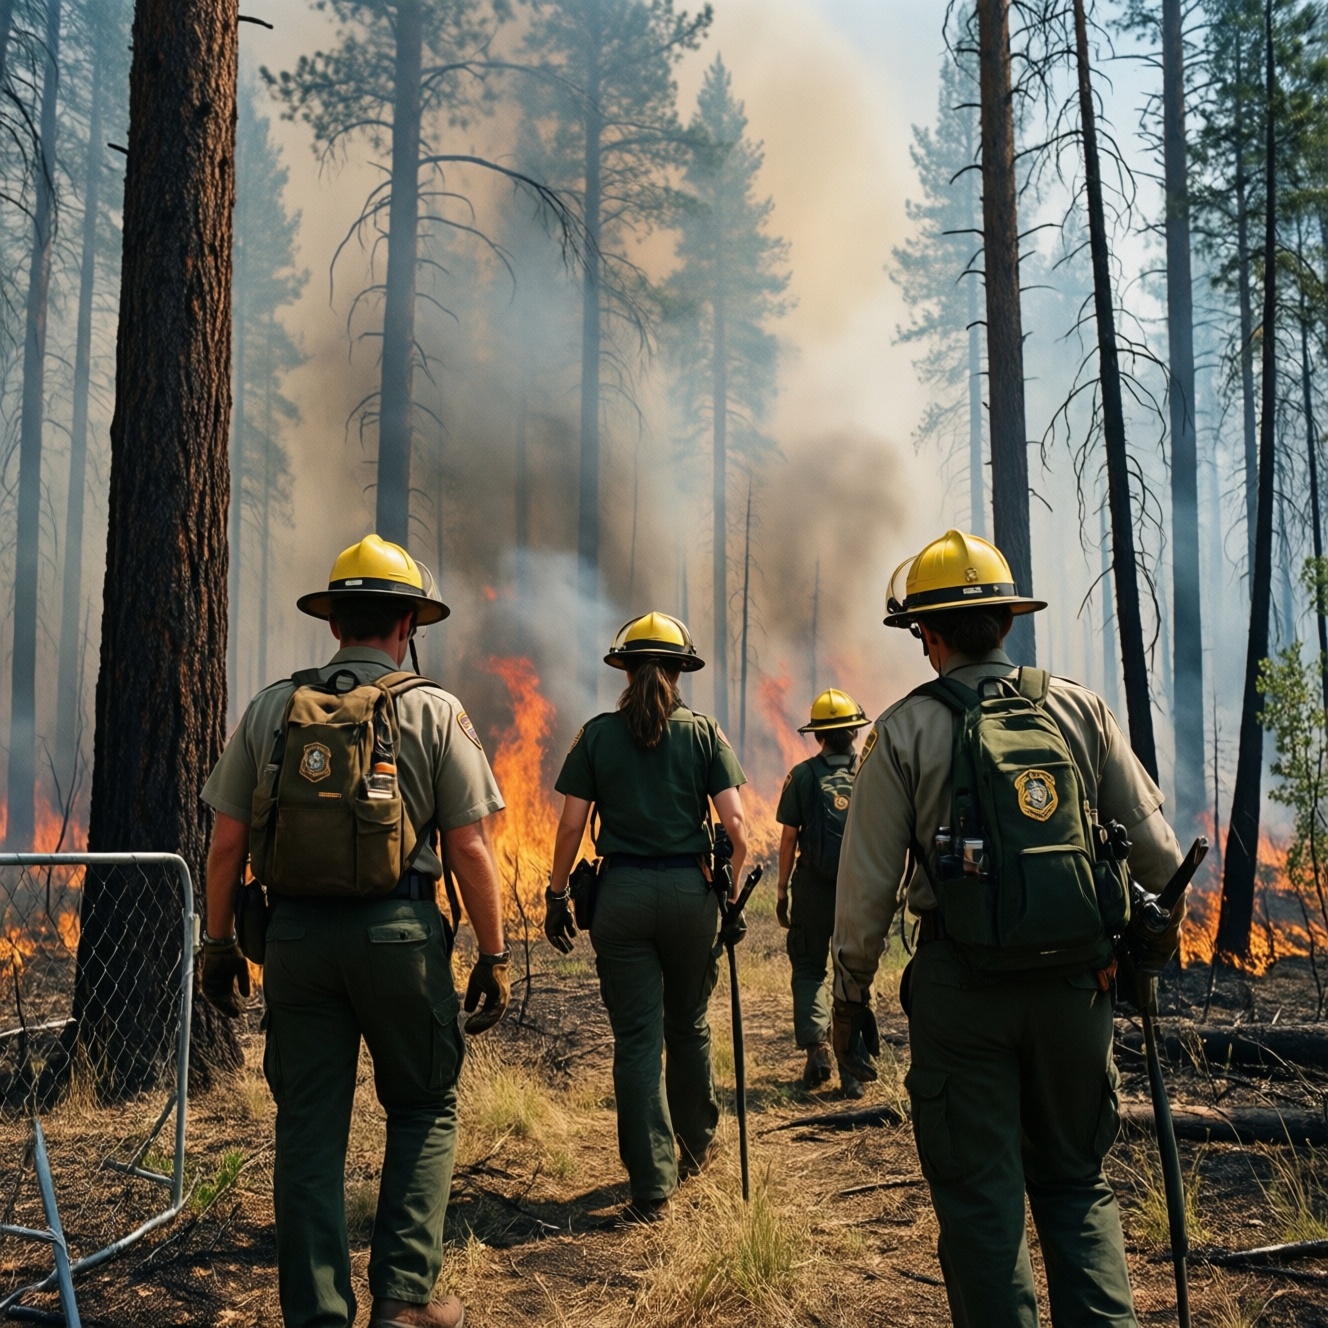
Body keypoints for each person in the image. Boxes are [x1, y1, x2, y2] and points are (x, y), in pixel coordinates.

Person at [831, 529, 1186, 1328]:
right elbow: (1163, 862)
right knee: (1077, 1185)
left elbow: (865, 897)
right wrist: (1151, 946)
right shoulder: (1079, 709)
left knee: (982, 1205)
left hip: (963, 996)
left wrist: (848, 1003)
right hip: (1077, 990)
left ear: (927, 633)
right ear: (1006, 622)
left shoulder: (903, 731)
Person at [199, 534, 509, 1328]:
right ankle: (404, 1302)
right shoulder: (434, 709)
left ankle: (317, 1315)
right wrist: (494, 954)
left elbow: (227, 845)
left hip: (295, 942)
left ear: (335, 622)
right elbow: (471, 847)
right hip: (399, 938)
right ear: (408, 624)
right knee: (424, 1106)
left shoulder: (271, 708)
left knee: (308, 1129)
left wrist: (219, 943)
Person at [542, 612, 748, 1222]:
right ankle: (696, 1148)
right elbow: (738, 829)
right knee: (689, 1024)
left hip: (622, 897)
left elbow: (572, 826)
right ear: (681, 671)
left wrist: (557, 895)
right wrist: (730, 895)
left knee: (637, 1040)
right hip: (690, 895)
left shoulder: (597, 735)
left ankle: (651, 1187)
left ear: (625, 671)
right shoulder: (705, 734)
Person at [774, 688, 868, 1098]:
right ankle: (853, 1067)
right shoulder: (871, 771)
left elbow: (788, 838)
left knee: (810, 967)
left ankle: (817, 1050)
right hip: (858, 887)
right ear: (854, 732)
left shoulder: (803, 775)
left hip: (812, 886)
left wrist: (781, 890)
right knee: (853, 971)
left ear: (819, 735)